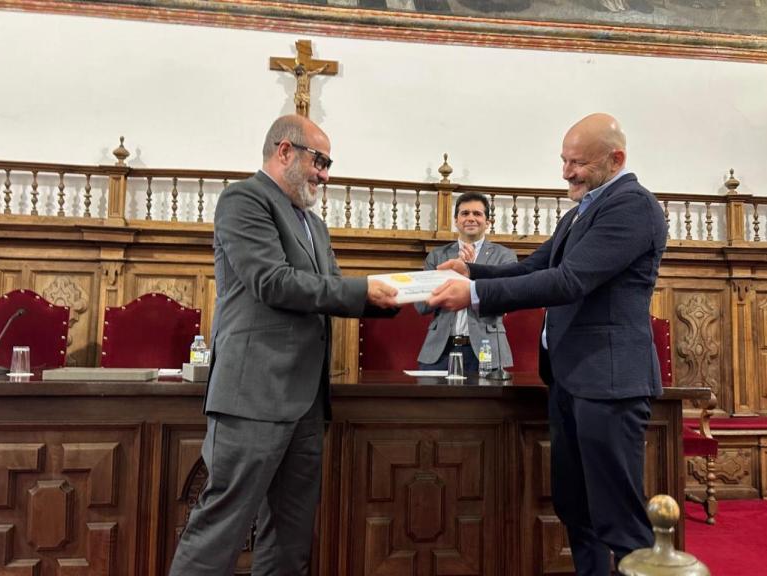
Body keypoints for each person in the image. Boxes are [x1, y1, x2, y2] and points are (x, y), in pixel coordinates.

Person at [427, 113, 667, 575]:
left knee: (619, 519)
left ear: (615, 158)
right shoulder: (581, 211)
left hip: (608, 384)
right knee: (576, 509)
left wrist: (475, 295)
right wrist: (471, 272)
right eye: (563, 160)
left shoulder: (633, 205)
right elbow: (535, 268)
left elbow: (570, 281)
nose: (565, 172)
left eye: (577, 162)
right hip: (571, 381)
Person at [170, 114, 398, 576]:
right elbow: (272, 282)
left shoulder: (313, 225)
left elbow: (332, 288)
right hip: (253, 396)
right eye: (321, 161)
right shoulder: (243, 200)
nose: (325, 174)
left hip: (306, 403)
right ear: (285, 151)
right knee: (222, 528)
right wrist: (364, 289)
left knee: (290, 539)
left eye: (329, 164)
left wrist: (404, 295)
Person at [414, 191, 517, 372]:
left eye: (477, 214)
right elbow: (421, 306)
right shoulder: (438, 256)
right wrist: (451, 275)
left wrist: (471, 272)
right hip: (440, 352)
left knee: (485, 401)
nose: (471, 218)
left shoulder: (504, 256)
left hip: (487, 350)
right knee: (434, 401)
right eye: (465, 213)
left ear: (488, 222)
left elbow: (506, 301)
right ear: (456, 221)